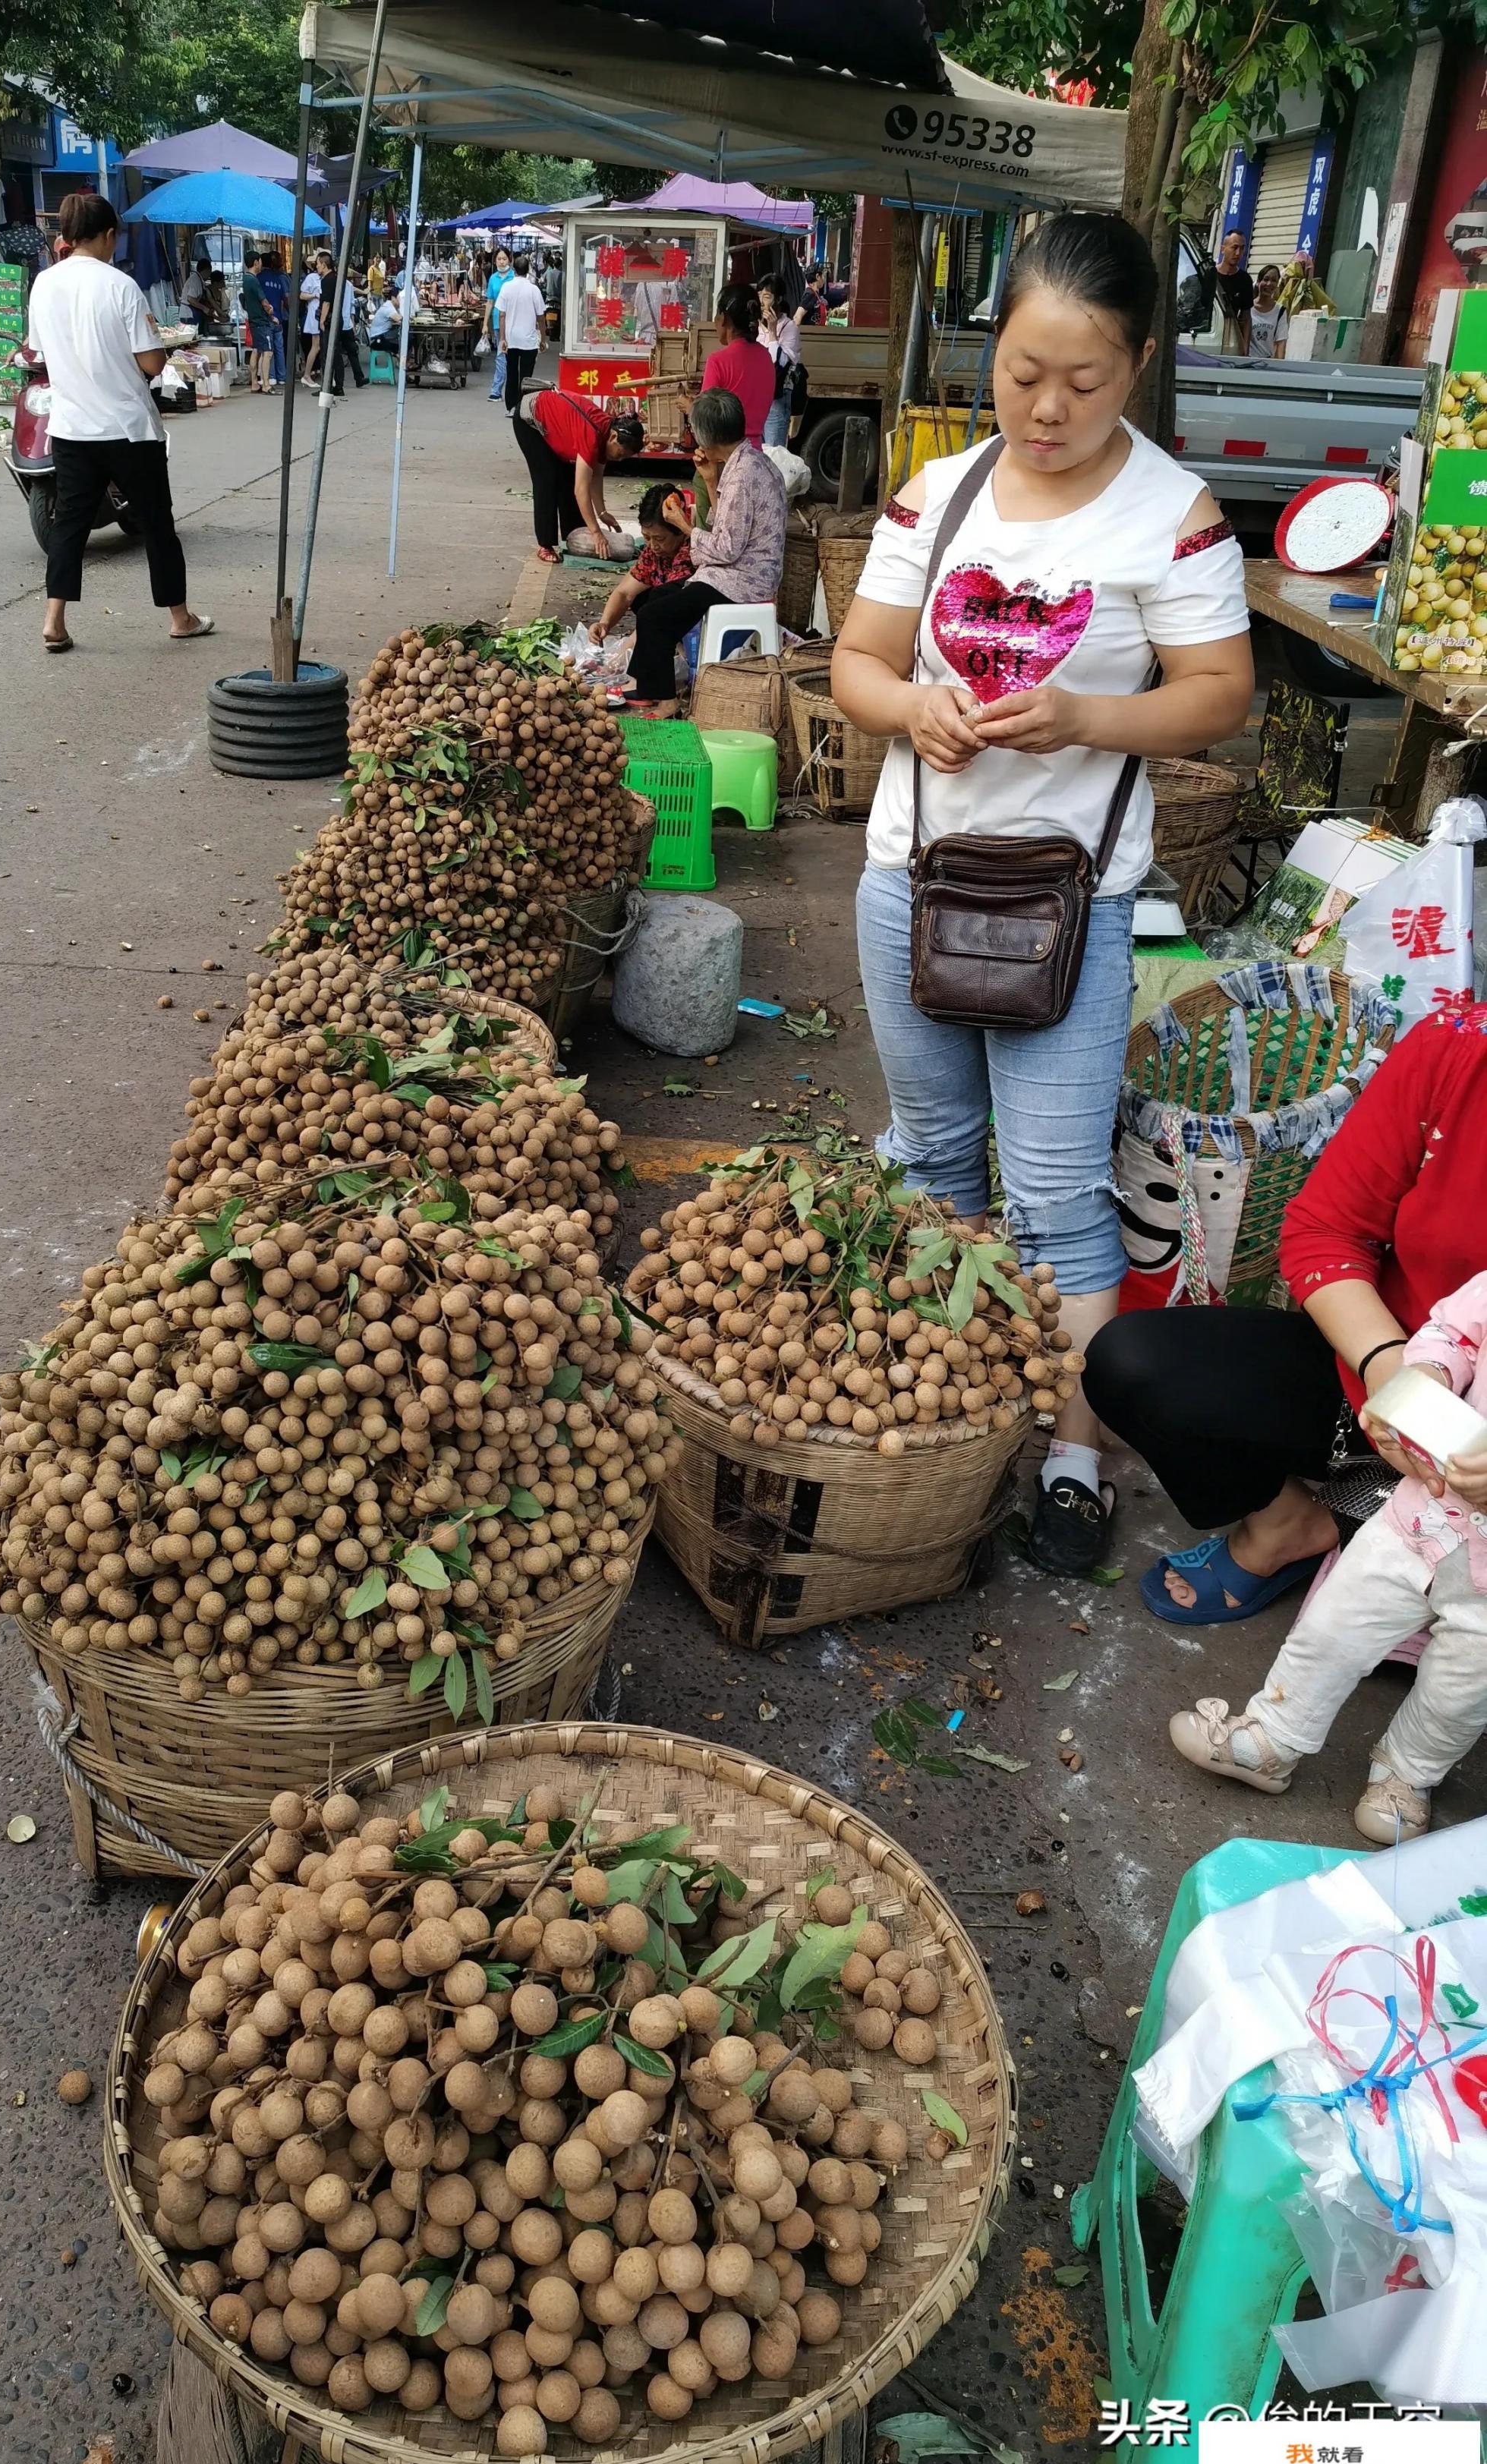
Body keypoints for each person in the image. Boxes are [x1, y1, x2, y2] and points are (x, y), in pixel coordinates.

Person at [829, 210, 1252, 1574]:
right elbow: (857, 663)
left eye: (1083, 379)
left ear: (1136, 364)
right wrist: (915, 711)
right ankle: (945, 1412)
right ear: (989, 349)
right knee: (933, 1164)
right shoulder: (933, 496)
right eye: (1021, 373)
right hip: (912, 883)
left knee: (1059, 1193)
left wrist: (1079, 714)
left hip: (1066, 912)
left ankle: (1077, 1447)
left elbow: (1218, 698)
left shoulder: (1172, 518)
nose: (1047, 407)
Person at [1085, 1000, 1487, 1626]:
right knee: (1134, 1362)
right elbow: (1327, 1228)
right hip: (1402, 1387)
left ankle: (1381, 1524)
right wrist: (1386, 1366)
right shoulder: (1459, 1046)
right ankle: (1296, 1521)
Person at [1167, 1262, 1487, 1845]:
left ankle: (1407, 1775)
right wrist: (1425, 1382)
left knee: (1461, 1691)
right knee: (1332, 1630)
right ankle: (1273, 1736)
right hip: (1417, 1520)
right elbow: (1455, 1333)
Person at [24, 190, 211, 655]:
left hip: (69, 427)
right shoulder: (120, 286)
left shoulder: (44, 284)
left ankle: (54, 620)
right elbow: (150, 364)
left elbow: (40, 350)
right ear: (108, 235)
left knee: (69, 523)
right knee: (156, 523)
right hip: (128, 428)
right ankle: (180, 617)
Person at [625, 386, 785, 709]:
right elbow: (728, 527)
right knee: (650, 599)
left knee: (656, 616)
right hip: (735, 571)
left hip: (743, 579)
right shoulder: (750, 461)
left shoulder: (743, 476)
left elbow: (726, 548)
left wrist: (685, 527)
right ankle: (647, 685)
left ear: (707, 437)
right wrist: (711, 481)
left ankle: (667, 702)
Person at [511, 386, 643, 564]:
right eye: (620, 454)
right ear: (613, 438)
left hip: (555, 424)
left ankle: (573, 533)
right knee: (548, 480)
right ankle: (546, 544)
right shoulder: (592, 437)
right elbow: (581, 490)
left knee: (568, 476)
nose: (619, 460)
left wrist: (602, 512)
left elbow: (596, 477)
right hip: (531, 418)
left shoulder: (607, 432)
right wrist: (596, 532)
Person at [589, 484, 695, 644]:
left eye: (660, 539)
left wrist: (620, 657)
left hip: (688, 623)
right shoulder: (652, 553)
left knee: (656, 599)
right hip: (660, 617)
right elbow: (624, 593)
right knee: (641, 597)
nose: (652, 546)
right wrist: (605, 623)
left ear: (680, 531)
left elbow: (658, 615)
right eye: (646, 537)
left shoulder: (690, 555)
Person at [700, 281, 775, 449]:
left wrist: (690, 406)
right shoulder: (766, 357)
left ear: (724, 319)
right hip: (755, 451)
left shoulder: (718, 361)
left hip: (725, 458)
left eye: (717, 315)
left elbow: (705, 419)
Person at [494, 249, 548, 414]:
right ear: (528, 270)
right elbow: (541, 317)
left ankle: (510, 407)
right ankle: (523, 408)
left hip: (511, 340)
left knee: (511, 373)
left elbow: (502, 315)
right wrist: (543, 339)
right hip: (529, 341)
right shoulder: (534, 290)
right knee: (526, 376)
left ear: (514, 269)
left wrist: (502, 339)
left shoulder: (506, 288)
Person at [758, 277, 801, 449]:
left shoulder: (789, 328)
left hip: (776, 400)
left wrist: (773, 331)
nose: (761, 301)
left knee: (774, 453)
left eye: (767, 296)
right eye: (759, 295)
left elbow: (779, 363)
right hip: (756, 398)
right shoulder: (757, 327)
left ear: (779, 299)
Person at [313, 253, 363, 391]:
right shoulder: (337, 279)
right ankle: (338, 385)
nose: (316, 267)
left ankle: (328, 386)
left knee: (327, 353)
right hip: (338, 319)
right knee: (336, 353)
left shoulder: (327, 280)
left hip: (330, 320)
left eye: (318, 264)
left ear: (324, 265)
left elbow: (326, 303)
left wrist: (322, 321)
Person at [241, 251, 278, 392]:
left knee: (256, 350)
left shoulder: (245, 279)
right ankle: (266, 385)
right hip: (261, 321)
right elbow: (264, 301)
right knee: (267, 352)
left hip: (253, 320)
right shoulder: (253, 280)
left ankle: (255, 383)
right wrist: (271, 312)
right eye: (260, 261)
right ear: (256, 263)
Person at [1214, 228, 1252, 355]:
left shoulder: (1245, 280)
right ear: (1223, 249)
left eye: (1242, 249)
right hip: (1211, 334)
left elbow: (1246, 317)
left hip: (1231, 339)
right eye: (1234, 247)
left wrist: (1244, 350)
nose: (1238, 253)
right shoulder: (1210, 275)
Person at [484, 244, 512, 403]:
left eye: (504, 259)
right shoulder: (493, 279)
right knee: (502, 356)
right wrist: (484, 324)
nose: (502, 262)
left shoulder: (514, 277)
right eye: (499, 259)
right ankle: (498, 390)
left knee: (505, 356)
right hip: (497, 322)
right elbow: (490, 301)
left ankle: (499, 390)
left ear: (510, 260)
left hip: (512, 322)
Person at [259, 252, 290, 386]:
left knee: (268, 349)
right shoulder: (278, 279)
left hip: (266, 318)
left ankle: (271, 377)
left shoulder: (259, 278)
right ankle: (282, 376)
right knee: (279, 348)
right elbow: (285, 299)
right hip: (279, 317)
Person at [1248, 263, 1288, 361]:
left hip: (1266, 362)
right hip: (1247, 361)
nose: (1269, 284)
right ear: (1258, 282)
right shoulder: (1247, 307)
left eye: (1274, 281)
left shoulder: (1280, 311)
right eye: (1266, 279)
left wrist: (1279, 367)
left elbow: (1281, 342)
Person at [299, 254, 323, 383]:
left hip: (323, 314)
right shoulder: (311, 278)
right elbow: (302, 295)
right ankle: (307, 374)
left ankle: (314, 372)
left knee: (320, 346)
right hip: (315, 315)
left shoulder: (327, 278)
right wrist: (314, 296)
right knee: (316, 346)